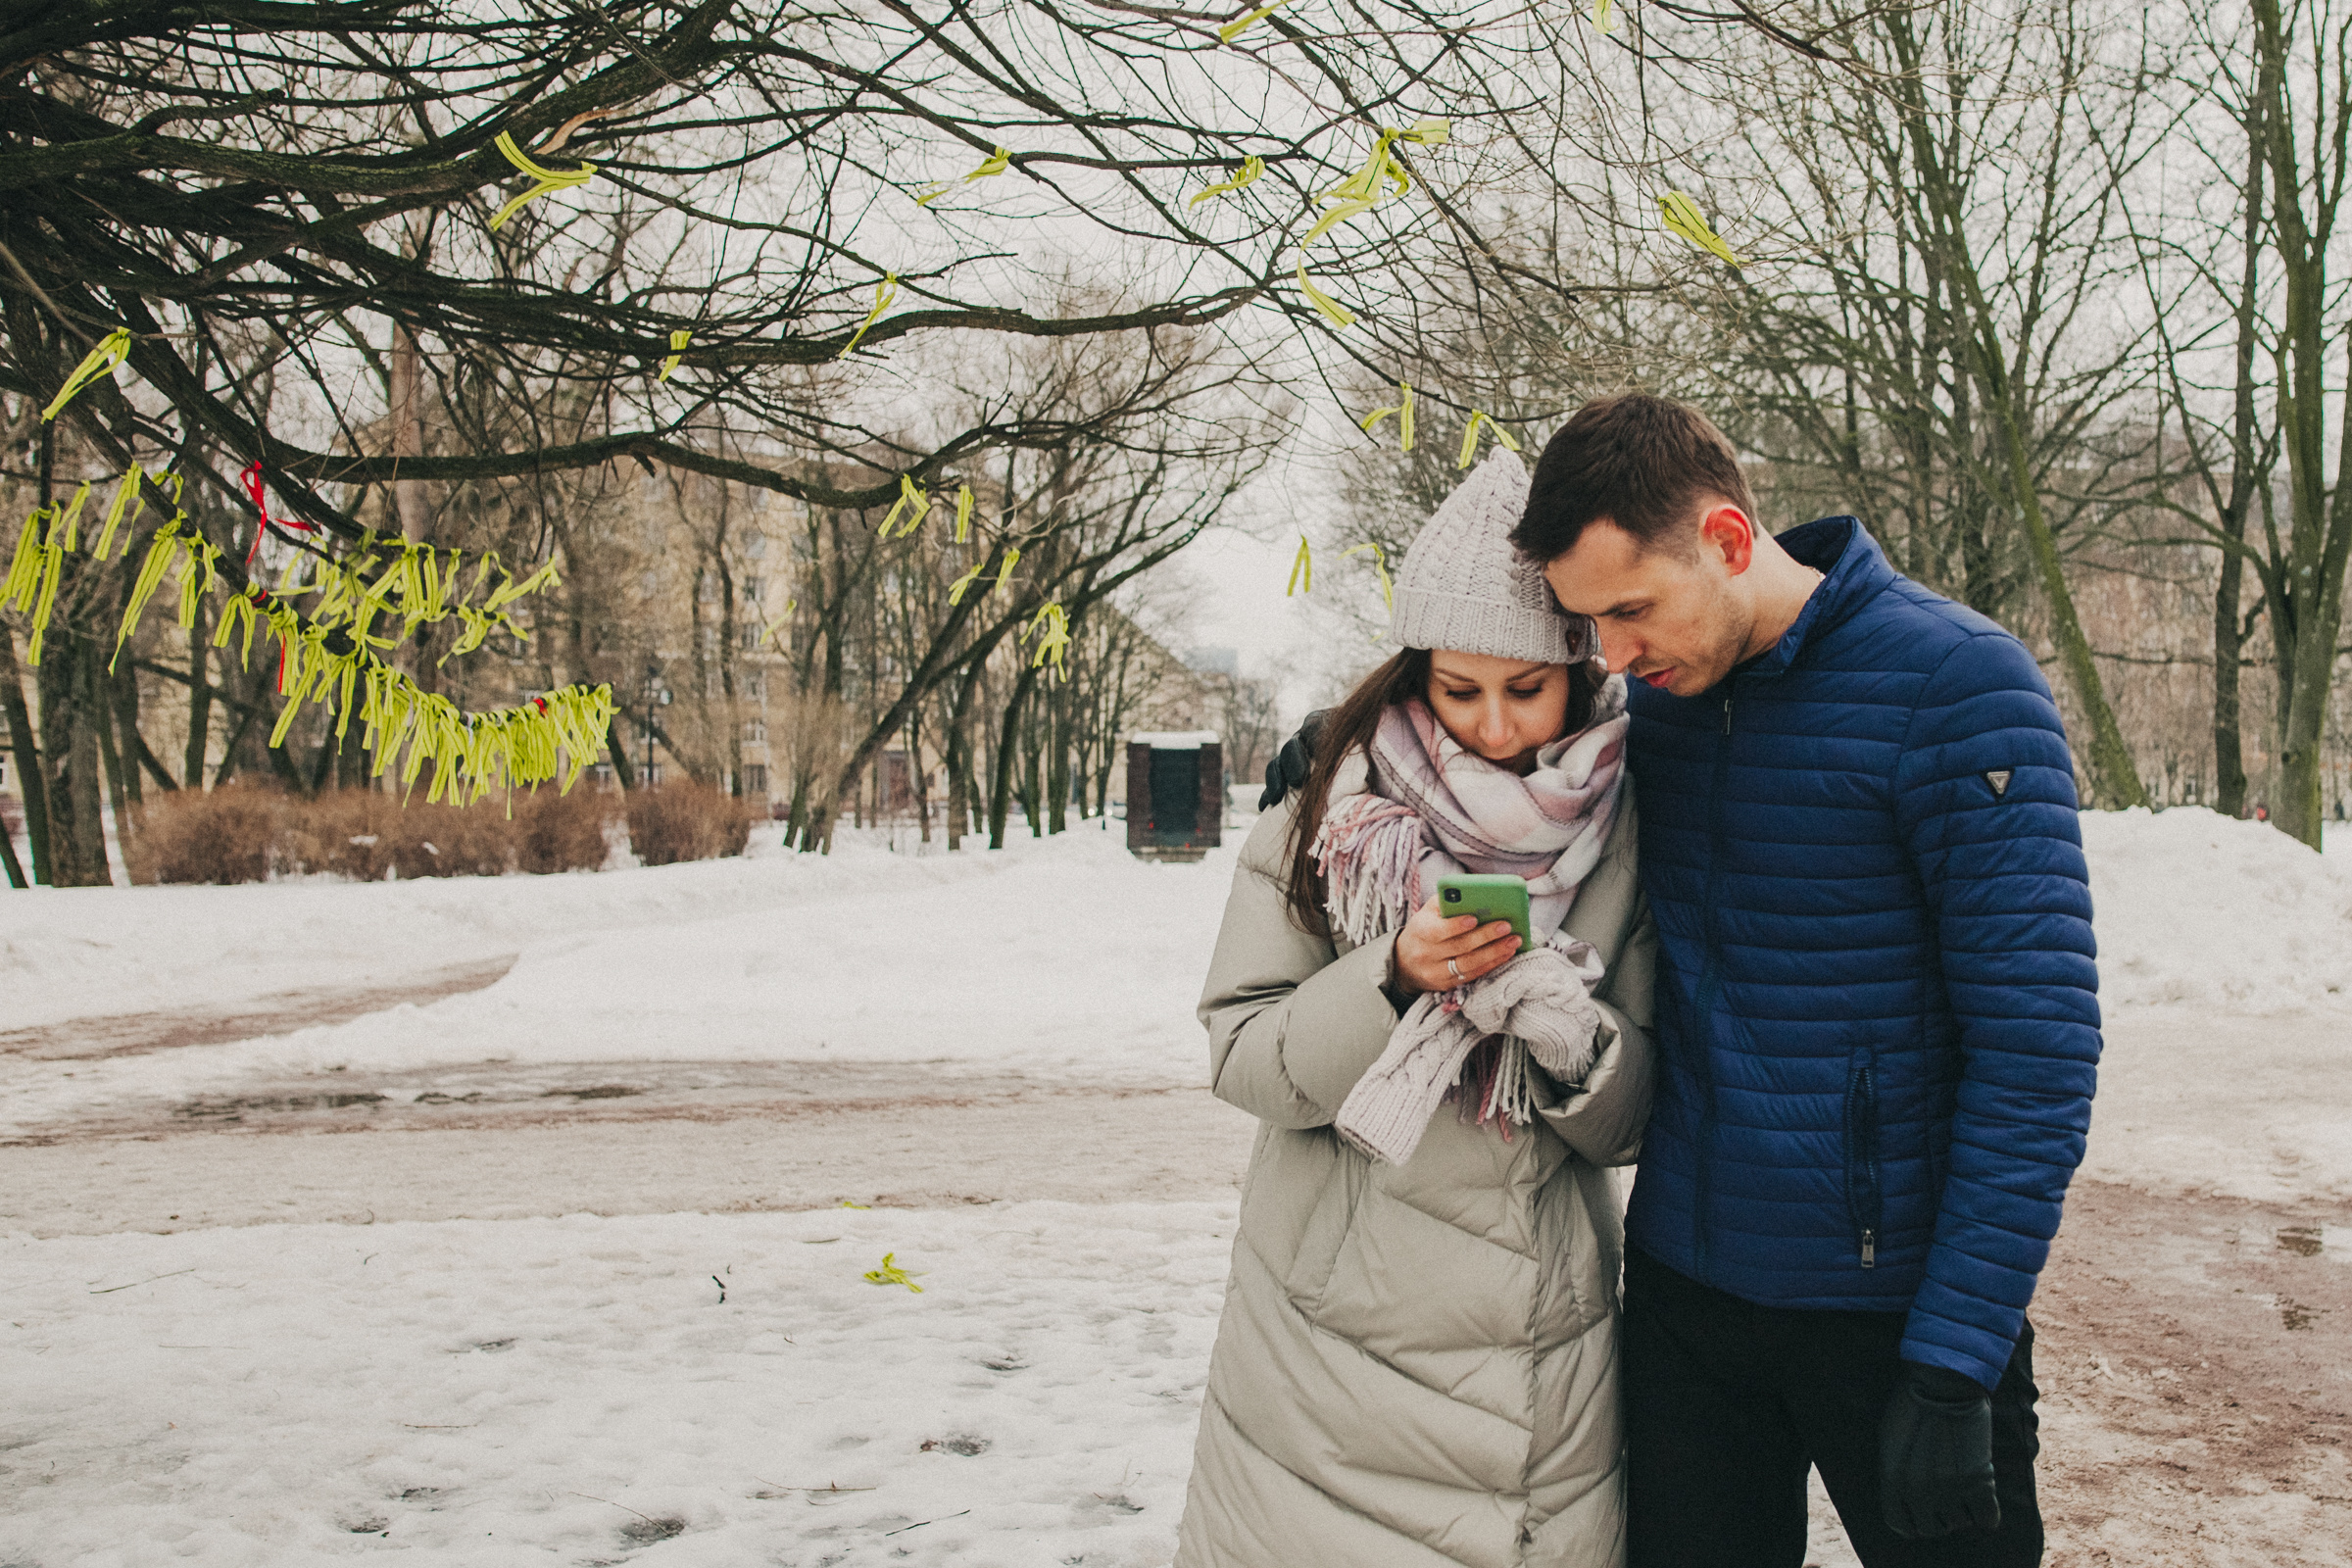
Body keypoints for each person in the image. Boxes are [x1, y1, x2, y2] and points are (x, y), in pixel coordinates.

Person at [1504, 394, 2101, 1567]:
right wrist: (1346, 737)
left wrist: (1954, 1361)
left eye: (1631, 609)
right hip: (1687, 1300)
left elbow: (2038, 1051)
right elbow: (1485, 729)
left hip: (1897, 1319)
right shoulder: (1657, 703)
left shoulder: (1960, 684)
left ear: (1729, 541)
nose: (1613, 655)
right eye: (1591, 625)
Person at [1175, 452, 1657, 1568]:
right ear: (1412, 671)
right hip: (1328, 1362)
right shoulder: (1331, 805)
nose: (1492, 724)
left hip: (1541, 1365)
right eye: (1458, 688)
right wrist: (1393, 977)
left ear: (1578, 670)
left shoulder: (1628, 819)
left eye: (1526, 687)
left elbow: (1634, 1120)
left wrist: (1571, 1036)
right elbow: (1243, 1055)